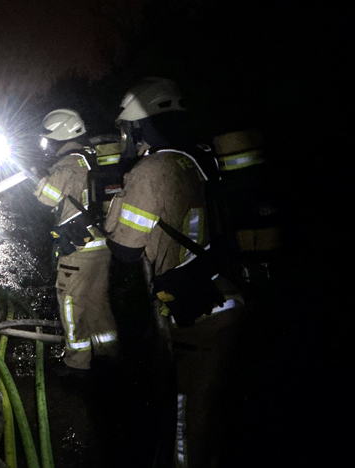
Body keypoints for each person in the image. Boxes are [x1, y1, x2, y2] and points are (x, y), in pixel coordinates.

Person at [106, 77, 244, 468]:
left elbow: (125, 251)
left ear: (139, 126)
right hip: (227, 295)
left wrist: (120, 196)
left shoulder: (151, 172)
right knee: (215, 413)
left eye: (128, 129)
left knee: (188, 424)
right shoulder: (198, 158)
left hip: (196, 315)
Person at [33, 108, 124, 379]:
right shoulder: (91, 157)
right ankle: (109, 353)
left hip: (78, 249)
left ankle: (76, 363)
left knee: (71, 302)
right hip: (102, 243)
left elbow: (47, 198)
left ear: (58, 137)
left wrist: (39, 179)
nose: (47, 145)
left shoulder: (67, 164)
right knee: (97, 301)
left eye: (48, 140)